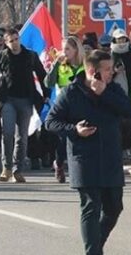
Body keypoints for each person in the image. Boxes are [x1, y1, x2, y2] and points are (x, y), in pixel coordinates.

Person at [45, 50, 131, 255]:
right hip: (84, 158)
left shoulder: (114, 89)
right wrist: (74, 130)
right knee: (91, 207)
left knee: (114, 208)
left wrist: (104, 93)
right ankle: (93, 252)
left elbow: (128, 111)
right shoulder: (71, 92)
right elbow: (51, 122)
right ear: (93, 71)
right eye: (107, 69)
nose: (112, 73)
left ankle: (95, 246)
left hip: (110, 156)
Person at [0, 27, 49, 182]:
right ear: (6, 43)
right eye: (11, 41)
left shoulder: (30, 56)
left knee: (22, 136)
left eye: (16, 39)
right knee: (7, 133)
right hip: (8, 100)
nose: (14, 43)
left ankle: (17, 169)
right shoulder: (2, 56)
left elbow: (42, 75)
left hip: (26, 99)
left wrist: (46, 95)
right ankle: (6, 168)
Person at [44, 36, 85, 183]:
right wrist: (55, 64)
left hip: (80, 106)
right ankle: (59, 164)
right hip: (63, 106)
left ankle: (79, 168)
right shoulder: (61, 66)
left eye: (68, 48)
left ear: (76, 50)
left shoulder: (84, 65)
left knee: (79, 137)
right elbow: (48, 83)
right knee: (63, 139)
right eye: (63, 48)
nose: (65, 52)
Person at [109, 29, 131, 158]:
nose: (121, 42)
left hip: (130, 92)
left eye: (123, 39)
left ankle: (127, 148)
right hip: (114, 93)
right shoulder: (111, 54)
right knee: (117, 122)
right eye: (119, 39)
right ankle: (117, 148)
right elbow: (106, 76)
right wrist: (115, 72)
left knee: (130, 121)